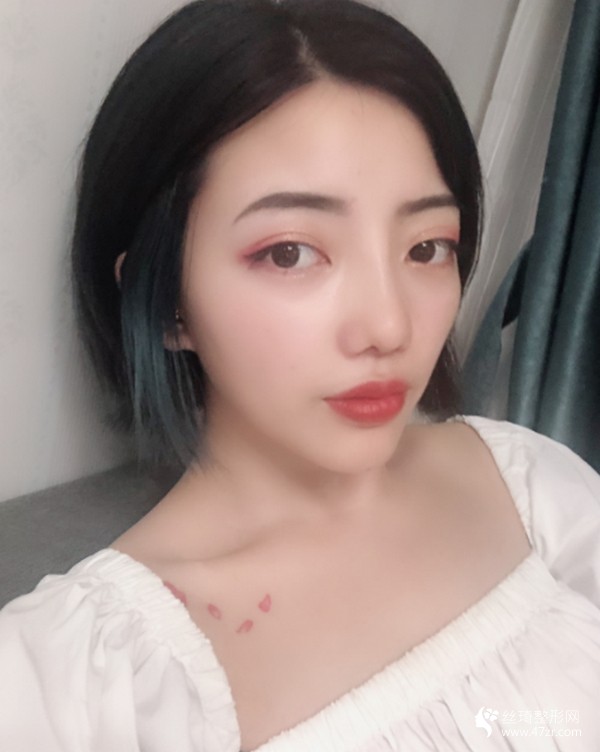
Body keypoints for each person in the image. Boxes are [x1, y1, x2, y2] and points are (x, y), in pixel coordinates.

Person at [1, 0, 599, 749]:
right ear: (164, 302)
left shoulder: (530, 482)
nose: (389, 326)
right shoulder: (75, 684)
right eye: (290, 253)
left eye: (426, 248)